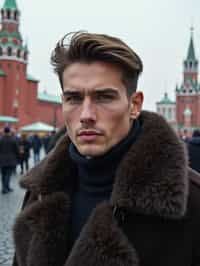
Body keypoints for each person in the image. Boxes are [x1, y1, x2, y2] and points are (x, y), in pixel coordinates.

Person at [13, 32, 200, 266]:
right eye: (74, 98)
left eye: (104, 97)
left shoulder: (191, 201)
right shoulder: (40, 191)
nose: (86, 115)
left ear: (134, 105)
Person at [0, 126, 19, 194]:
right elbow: (17, 150)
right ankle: (5, 188)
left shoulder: (1, 139)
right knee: (8, 175)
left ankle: (5, 187)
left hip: (2, 160)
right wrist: (17, 157)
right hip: (11, 160)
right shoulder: (13, 139)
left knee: (3, 175)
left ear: (4, 132)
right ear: (9, 132)